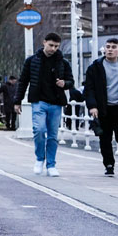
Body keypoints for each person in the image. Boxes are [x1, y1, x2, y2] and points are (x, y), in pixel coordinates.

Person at [17, 32, 74, 177]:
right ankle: (39, 158)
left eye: (56, 46)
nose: (53, 49)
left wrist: (65, 83)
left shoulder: (63, 62)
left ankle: (51, 165)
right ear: (44, 43)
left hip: (56, 102)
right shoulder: (32, 61)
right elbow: (23, 81)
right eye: (51, 45)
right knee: (39, 130)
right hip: (39, 101)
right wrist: (17, 101)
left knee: (53, 136)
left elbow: (71, 81)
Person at [85, 39, 118, 177]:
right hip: (103, 108)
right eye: (108, 47)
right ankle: (109, 165)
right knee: (105, 138)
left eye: (113, 47)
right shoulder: (95, 67)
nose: (110, 49)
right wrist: (92, 106)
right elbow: (89, 89)